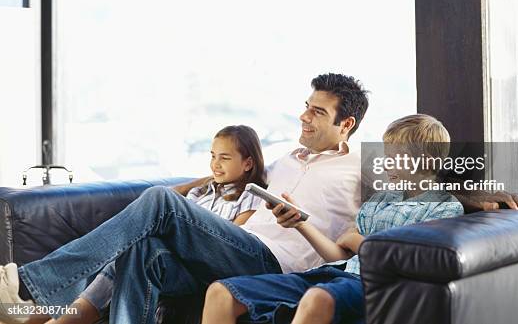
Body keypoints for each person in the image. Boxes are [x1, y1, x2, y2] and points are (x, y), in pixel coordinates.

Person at [0, 73, 370, 324]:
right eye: (306, 105)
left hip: (275, 264)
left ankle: (30, 285)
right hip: (238, 247)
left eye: (317, 111)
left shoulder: (363, 168)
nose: (303, 116)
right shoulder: (288, 159)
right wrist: (208, 180)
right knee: (142, 251)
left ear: (346, 124)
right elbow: (240, 180)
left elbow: (399, 204)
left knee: (159, 199)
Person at [200, 114, 464, 324]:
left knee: (318, 299)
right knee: (221, 293)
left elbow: (412, 264)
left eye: (395, 156)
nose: (387, 163)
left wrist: (359, 241)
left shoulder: (444, 209)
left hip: (374, 285)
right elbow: (338, 254)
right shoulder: (380, 200)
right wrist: (300, 223)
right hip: (335, 273)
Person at [38, 124, 267, 324]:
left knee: (130, 245)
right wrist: (201, 182)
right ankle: (44, 312)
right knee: (137, 248)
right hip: (174, 262)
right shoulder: (203, 192)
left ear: (248, 163)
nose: (215, 164)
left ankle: (48, 310)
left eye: (224, 158)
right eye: (212, 155)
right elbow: (161, 202)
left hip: (206, 269)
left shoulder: (251, 197)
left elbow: (226, 244)